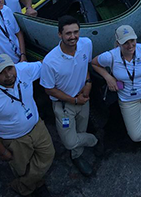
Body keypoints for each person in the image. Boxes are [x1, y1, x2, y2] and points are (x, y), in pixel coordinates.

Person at [0, 55, 54, 196]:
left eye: (10, 68)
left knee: (48, 154)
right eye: (1, 72)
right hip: (14, 138)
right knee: (22, 168)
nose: (8, 75)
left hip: (37, 126)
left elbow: (45, 63)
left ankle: (22, 186)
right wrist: (2, 151)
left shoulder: (23, 69)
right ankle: (34, 185)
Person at [93, 25, 141, 159]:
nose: (130, 45)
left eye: (132, 40)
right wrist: (108, 77)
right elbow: (94, 63)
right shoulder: (110, 56)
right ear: (118, 43)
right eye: (125, 42)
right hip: (128, 98)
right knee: (135, 134)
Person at [40, 16, 101, 175]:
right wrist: (74, 100)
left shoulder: (86, 44)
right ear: (60, 34)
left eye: (76, 32)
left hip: (83, 98)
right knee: (69, 141)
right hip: (64, 106)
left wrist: (88, 82)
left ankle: (77, 156)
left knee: (81, 128)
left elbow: (85, 66)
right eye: (68, 33)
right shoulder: (50, 62)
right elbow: (49, 89)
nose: (73, 37)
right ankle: (94, 141)